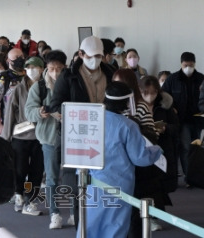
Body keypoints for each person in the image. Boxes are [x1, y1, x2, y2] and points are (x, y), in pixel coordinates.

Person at [80, 81, 164, 238]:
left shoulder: (91, 120)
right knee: (115, 226)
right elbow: (140, 158)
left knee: (91, 224)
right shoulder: (128, 125)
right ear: (126, 101)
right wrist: (157, 150)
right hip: (119, 185)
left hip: (92, 183)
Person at [50, 36, 115, 228]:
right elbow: (55, 104)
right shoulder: (68, 75)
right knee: (79, 186)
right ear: (81, 54)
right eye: (91, 55)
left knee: (105, 184)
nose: (95, 59)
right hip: (76, 137)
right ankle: (80, 226)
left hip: (105, 135)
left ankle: (102, 225)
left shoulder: (111, 73)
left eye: (99, 56)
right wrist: (68, 113)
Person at [25, 50, 70, 229]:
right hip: (49, 137)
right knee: (51, 178)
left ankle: (74, 213)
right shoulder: (39, 87)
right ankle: (55, 213)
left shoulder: (71, 84)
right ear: (46, 68)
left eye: (59, 69)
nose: (55, 73)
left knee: (70, 178)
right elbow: (28, 111)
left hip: (71, 137)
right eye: (52, 69)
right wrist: (40, 112)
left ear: (65, 68)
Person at [1, 56, 45, 216]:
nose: (32, 70)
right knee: (19, 169)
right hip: (21, 135)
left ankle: (31, 199)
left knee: (37, 171)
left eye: (36, 67)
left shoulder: (47, 87)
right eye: (29, 67)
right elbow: (9, 113)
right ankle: (18, 193)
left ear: (41, 69)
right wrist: (5, 137)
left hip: (41, 136)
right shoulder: (19, 88)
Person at [138, 75, 179, 232]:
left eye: (153, 92)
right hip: (143, 149)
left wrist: (165, 128)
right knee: (146, 185)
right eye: (146, 91)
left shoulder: (165, 105)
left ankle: (154, 217)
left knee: (158, 184)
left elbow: (176, 127)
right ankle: (148, 216)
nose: (149, 95)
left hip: (162, 149)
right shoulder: (136, 106)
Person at [162, 52, 204, 182]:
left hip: (198, 119)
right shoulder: (172, 79)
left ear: (195, 64)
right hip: (182, 120)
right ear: (181, 64)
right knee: (186, 147)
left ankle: (196, 175)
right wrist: (171, 108)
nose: (188, 68)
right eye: (186, 65)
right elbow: (164, 96)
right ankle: (189, 177)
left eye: (191, 65)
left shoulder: (201, 78)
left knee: (197, 148)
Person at [0, 48, 26, 135]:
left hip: (28, 122)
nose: (20, 59)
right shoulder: (2, 78)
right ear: (9, 60)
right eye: (16, 57)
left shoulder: (28, 75)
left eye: (21, 56)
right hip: (9, 122)